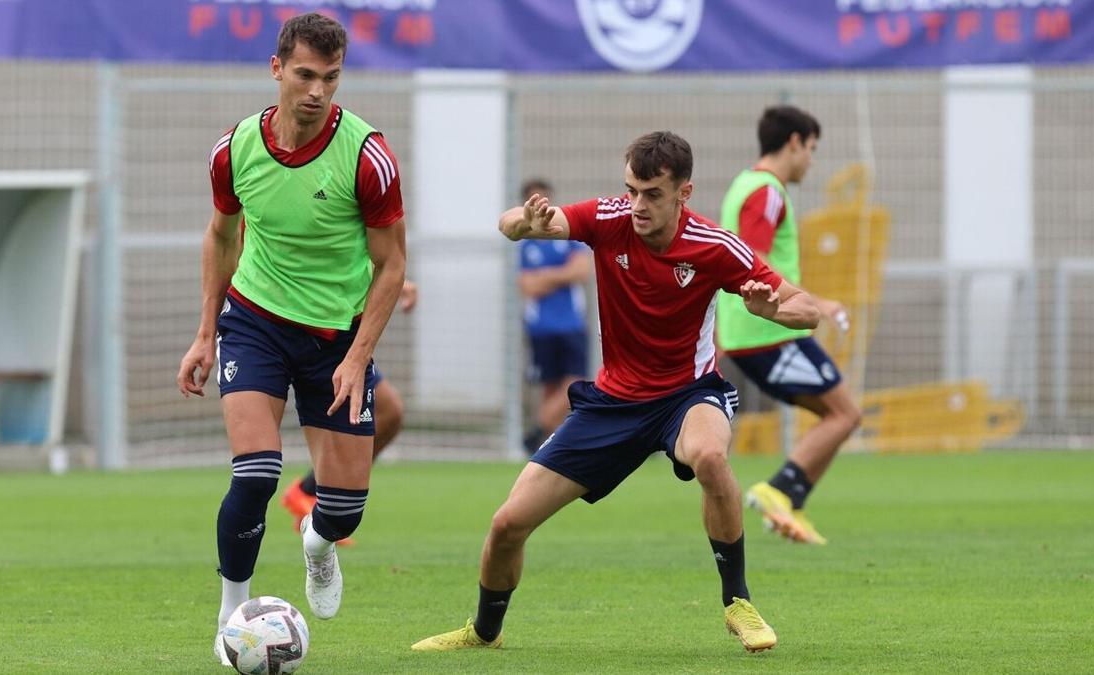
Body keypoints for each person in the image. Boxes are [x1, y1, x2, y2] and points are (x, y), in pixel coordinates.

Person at [412, 132, 820, 654]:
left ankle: (737, 602)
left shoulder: (715, 246)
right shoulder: (608, 220)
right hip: (613, 404)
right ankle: (483, 632)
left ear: (684, 193)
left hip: (687, 395)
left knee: (710, 457)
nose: (637, 205)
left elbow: (806, 309)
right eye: (631, 190)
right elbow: (510, 222)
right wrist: (525, 225)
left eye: (651, 193)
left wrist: (773, 311)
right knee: (507, 523)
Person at [174, 13, 406, 666]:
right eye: (305, 75)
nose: (317, 90)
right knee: (255, 473)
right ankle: (230, 618)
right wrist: (203, 333)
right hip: (254, 322)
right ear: (277, 69)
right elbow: (221, 235)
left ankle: (318, 543)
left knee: (345, 507)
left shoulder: (368, 156)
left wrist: (359, 355)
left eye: (330, 78)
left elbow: (392, 264)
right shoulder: (234, 149)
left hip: (336, 338)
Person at [716, 105, 862, 546]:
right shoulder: (768, 190)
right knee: (845, 413)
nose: (812, 160)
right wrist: (815, 302)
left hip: (753, 334)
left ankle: (791, 504)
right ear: (794, 142)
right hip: (771, 333)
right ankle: (780, 491)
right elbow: (753, 261)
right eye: (812, 148)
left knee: (834, 414)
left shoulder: (744, 184)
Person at [280, 279, 418, 538]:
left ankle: (311, 493)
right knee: (358, 411)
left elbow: (356, 251)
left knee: (389, 412)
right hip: (306, 324)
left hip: (340, 328)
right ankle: (315, 498)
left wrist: (395, 281)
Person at [517, 178, 592, 454]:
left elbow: (581, 271)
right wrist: (561, 274)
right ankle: (548, 444)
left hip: (571, 324)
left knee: (575, 381)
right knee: (550, 387)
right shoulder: (525, 244)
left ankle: (540, 428)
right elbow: (528, 286)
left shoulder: (566, 235)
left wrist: (545, 277)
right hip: (541, 327)